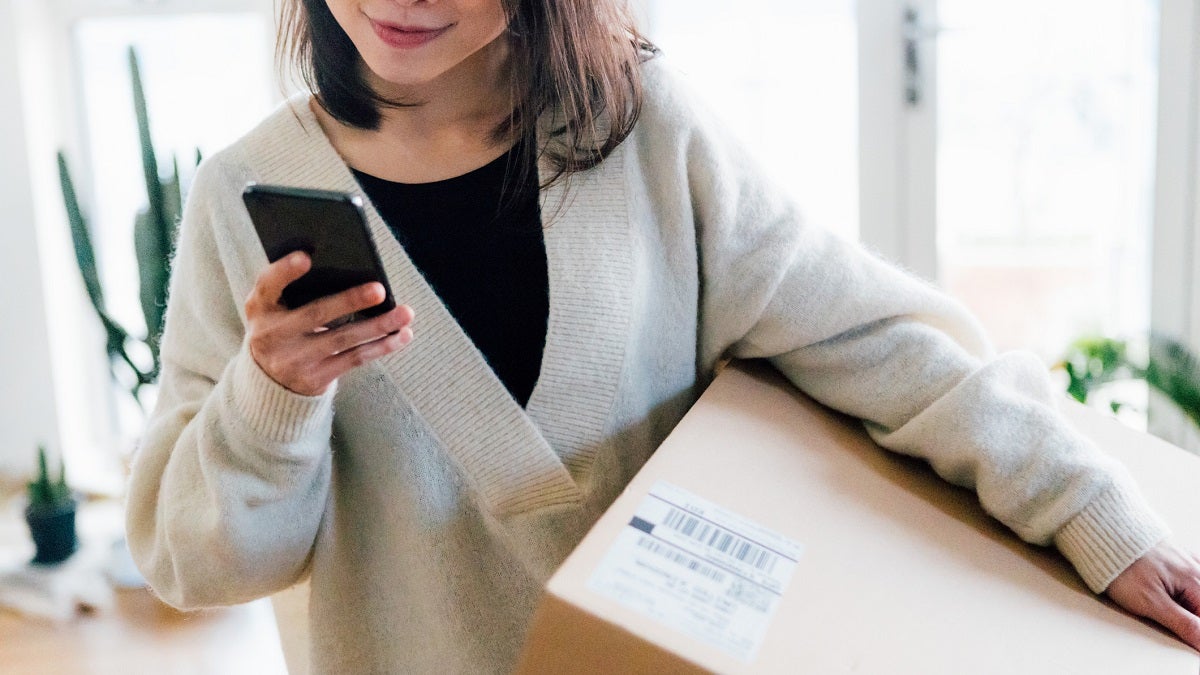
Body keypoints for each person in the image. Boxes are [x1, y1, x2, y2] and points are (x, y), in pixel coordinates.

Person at [124, 0, 1200, 672]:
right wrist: (273, 396)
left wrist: (1089, 511)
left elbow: (879, 344)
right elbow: (199, 564)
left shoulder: (647, 134)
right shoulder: (244, 197)